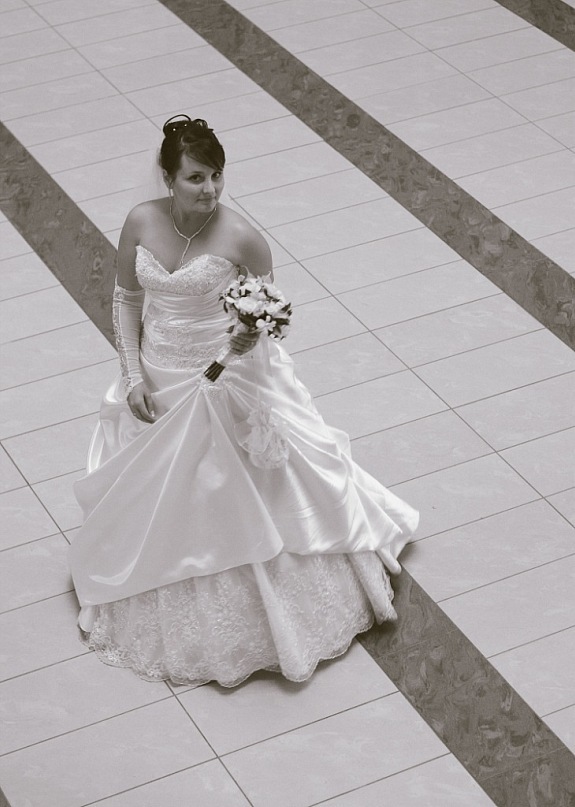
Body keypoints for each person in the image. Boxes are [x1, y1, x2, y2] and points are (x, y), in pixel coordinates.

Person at [69, 115, 418, 688]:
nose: (209, 189)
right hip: (158, 376)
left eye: (217, 176)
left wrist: (242, 343)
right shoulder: (140, 221)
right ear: (168, 178)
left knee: (228, 489)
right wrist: (132, 376)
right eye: (195, 177)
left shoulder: (242, 237)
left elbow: (267, 314)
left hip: (222, 377)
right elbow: (126, 300)